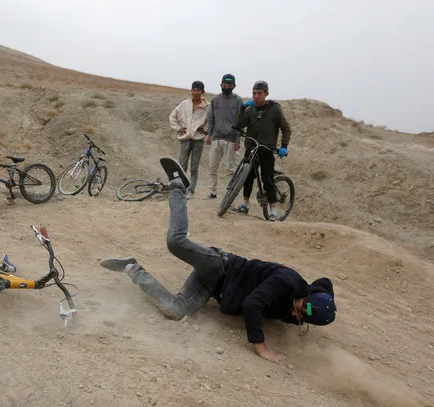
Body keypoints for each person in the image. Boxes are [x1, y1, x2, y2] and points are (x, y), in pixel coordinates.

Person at [100, 157, 336, 363]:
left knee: (176, 310)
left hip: (211, 287)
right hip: (221, 266)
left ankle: (131, 268)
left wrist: (320, 305)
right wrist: (261, 348)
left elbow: (325, 283)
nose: (297, 316)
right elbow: (252, 305)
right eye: (301, 310)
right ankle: (178, 187)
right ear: (307, 296)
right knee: (176, 242)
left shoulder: (305, 305)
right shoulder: (288, 282)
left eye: (303, 318)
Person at [234, 80, 291, 221]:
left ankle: (273, 212)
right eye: (254, 93)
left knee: (268, 181)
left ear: (266, 93)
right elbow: (239, 124)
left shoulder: (274, 109)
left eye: (259, 93)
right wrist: (242, 109)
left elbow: (286, 128)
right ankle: (245, 205)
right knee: (247, 178)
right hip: (251, 148)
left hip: (266, 149)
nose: (256, 96)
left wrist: (284, 146)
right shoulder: (250, 109)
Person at [169, 81, 210, 197]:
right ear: (191, 91)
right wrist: (178, 128)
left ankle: (191, 191)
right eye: (194, 90)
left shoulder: (208, 106)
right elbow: (172, 116)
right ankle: (180, 189)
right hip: (185, 139)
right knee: (182, 165)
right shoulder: (185, 104)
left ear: (203, 92)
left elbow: (211, 121)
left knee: (194, 167)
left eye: (198, 90)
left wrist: (205, 130)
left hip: (198, 140)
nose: (196, 92)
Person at [205, 74, 243, 199]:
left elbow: (240, 121)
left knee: (230, 170)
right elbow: (211, 119)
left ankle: (230, 194)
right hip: (216, 138)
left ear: (234, 86)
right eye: (224, 84)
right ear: (221, 84)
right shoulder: (215, 100)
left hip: (231, 139)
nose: (226, 86)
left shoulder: (238, 100)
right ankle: (212, 191)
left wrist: (238, 140)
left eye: (229, 85)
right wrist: (209, 135)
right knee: (212, 167)